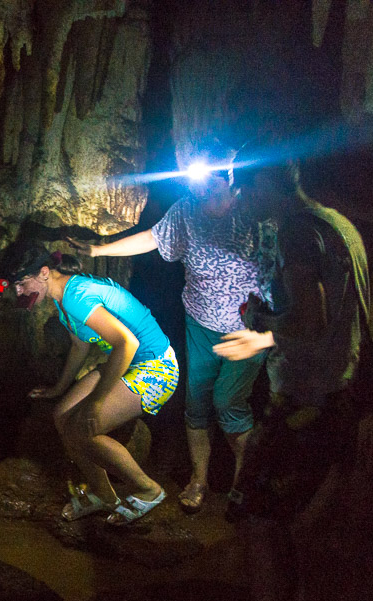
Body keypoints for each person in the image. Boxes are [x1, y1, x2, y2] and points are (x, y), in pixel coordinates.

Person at [68, 140, 273, 513]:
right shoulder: (186, 212)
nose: (200, 190)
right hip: (199, 321)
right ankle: (199, 481)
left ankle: (245, 487)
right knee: (195, 405)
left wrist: (266, 331)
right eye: (195, 182)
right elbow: (152, 238)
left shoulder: (255, 216)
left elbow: (282, 273)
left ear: (230, 178)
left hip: (247, 332)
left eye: (208, 182)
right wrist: (99, 250)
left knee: (229, 404)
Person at [212, 141, 369, 601]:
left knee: (260, 522)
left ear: (268, 180)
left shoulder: (297, 233)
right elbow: (339, 319)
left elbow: (309, 320)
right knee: (305, 532)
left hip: (305, 403)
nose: (238, 192)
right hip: (341, 396)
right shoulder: (339, 225)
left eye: (244, 180)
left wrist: (261, 327)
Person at [1, 240, 179, 525]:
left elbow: (127, 343)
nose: (19, 292)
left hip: (157, 369)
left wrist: (96, 402)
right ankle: (103, 494)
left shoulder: (76, 295)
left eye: (22, 283)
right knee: (62, 415)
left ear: (44, 272)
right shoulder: (62, 300)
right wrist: (58, 390)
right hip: (126, 363)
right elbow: (80, 347)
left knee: (85, 425)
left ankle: (149, 490)